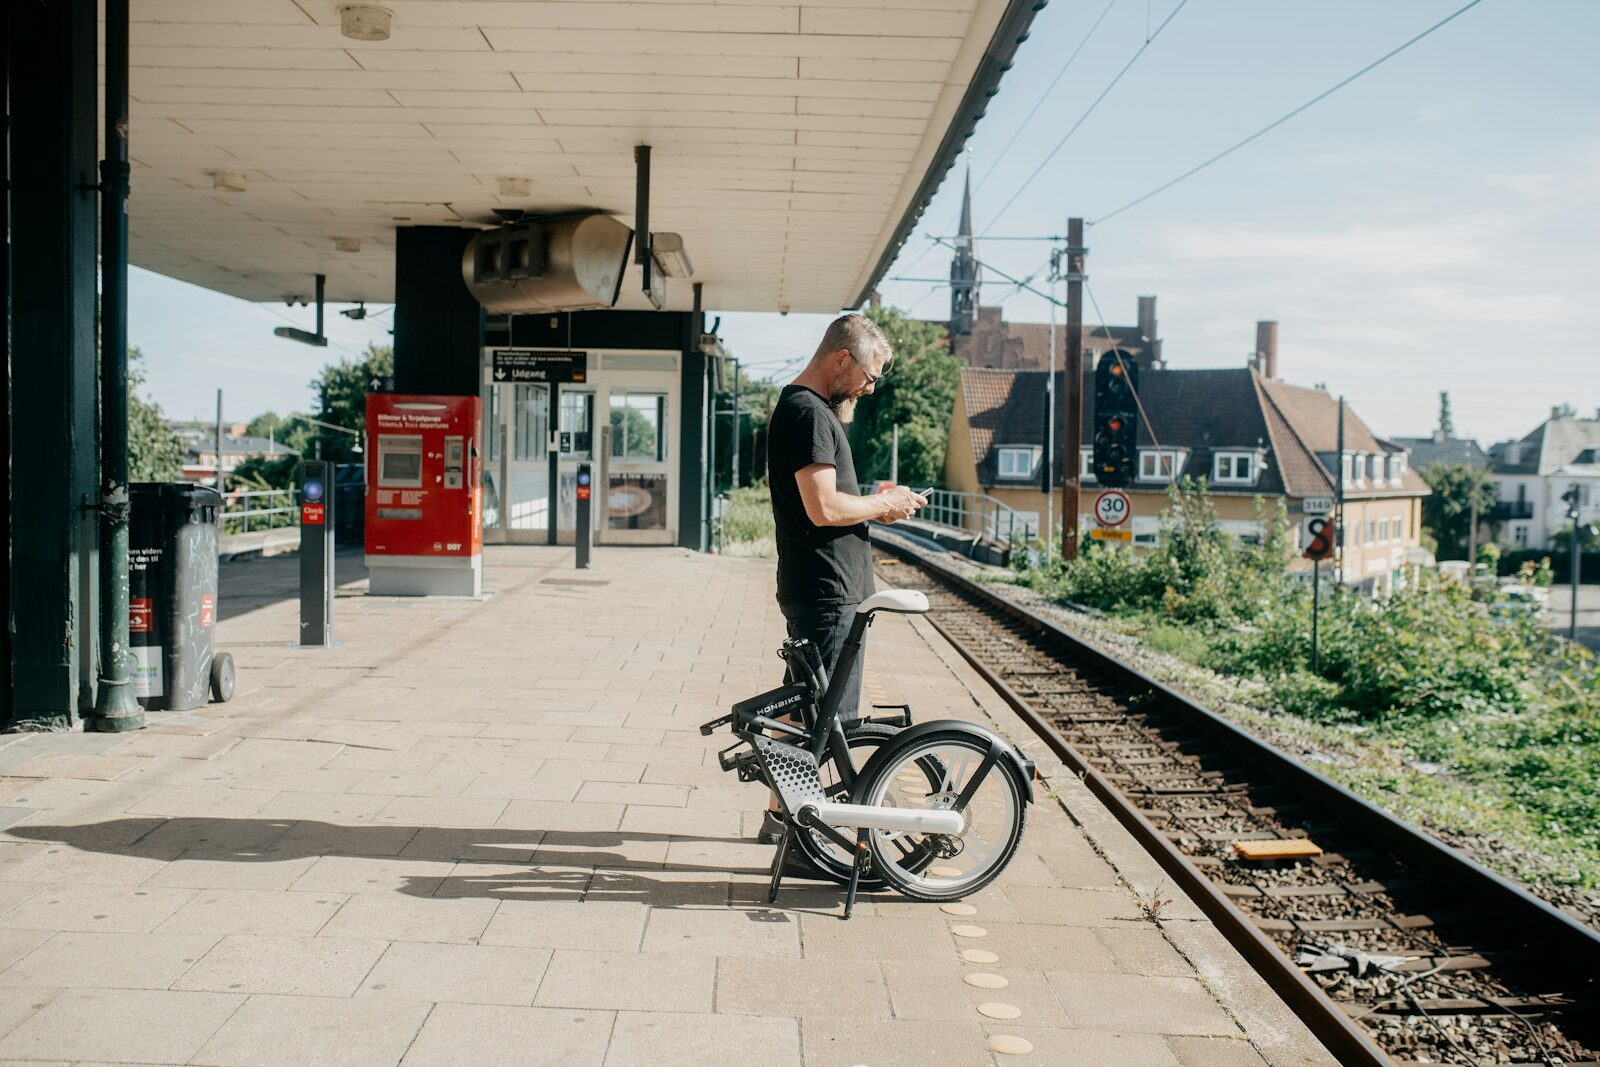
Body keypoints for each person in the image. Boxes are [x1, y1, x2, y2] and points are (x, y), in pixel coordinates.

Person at [759, 313, 926, 845]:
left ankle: (781, 822)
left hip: (820, 587)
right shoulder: (809, 413)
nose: (870, 388)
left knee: (802, 713)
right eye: (868, 376)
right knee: (827, 722)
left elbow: (830, 503)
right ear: (841, 358)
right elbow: (824, 507)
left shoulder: (804, 409)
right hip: (827, 591)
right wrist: (883, 504)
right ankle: (802, 840)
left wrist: (873, 503)